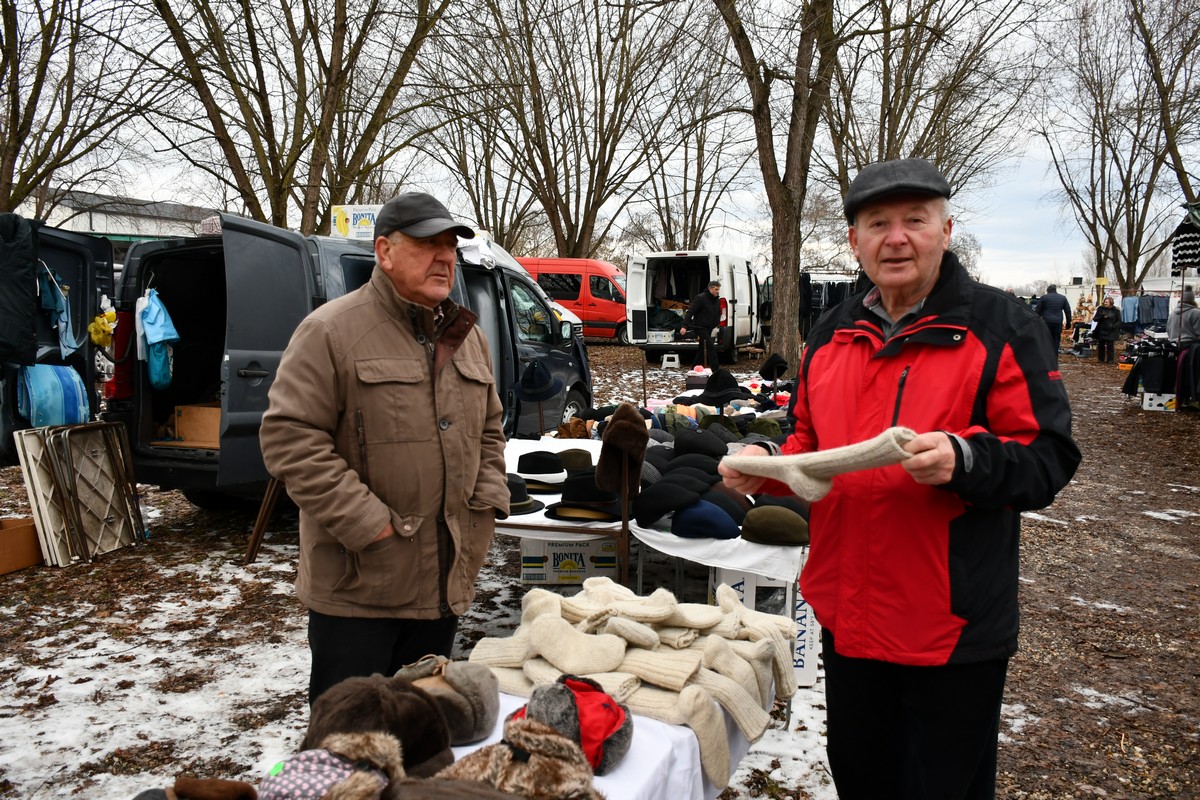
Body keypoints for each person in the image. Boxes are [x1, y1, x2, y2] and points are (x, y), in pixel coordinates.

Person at [718, 158, 1081, 800]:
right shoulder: (830, 333)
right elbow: (811, 446)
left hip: (950, 626)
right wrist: (763, 469)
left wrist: (965, 462)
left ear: (946, 228)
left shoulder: (1001, 328)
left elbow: (1048, 458)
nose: (896, 237)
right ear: (854, 240)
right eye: (877, 223)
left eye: (914, 220)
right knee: (863, 782)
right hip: (847, 616)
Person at [259, 192, 509, 705]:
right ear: (385, 251)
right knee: (348, 747)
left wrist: (484, 503)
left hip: (444, 584)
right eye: (427, 244)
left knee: (420, 735)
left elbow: (489, 428)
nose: (445, 257)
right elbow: (290, 439)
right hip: (360, 591)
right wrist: (369, 526)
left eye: (450, 246)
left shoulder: (468, 338)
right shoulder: (330, 330)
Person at [678, 280, 721, 369]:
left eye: (718, 289)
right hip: (700, 326)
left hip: (709, 327)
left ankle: (695, 367)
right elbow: (690, 312)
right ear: (710, 288)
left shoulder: (716, 300)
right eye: (716, 289)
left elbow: (717, 312)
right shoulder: (701, 298)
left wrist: (717, 322)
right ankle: (716, 369)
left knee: (702, 348)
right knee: (710, 347)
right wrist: (684, 326)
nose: (717, 291)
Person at [1034, 284, 1072, 361]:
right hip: (1058, 321)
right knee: (1056, 338)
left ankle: (1046, 355)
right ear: (1055, 290)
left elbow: (1038, 311)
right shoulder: (1063, 298)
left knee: (1046, 338)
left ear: (1048, 290)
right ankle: (1054, 356)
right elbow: (1068, 311)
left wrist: (1035, 322)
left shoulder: (1044, 298)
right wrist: (1068, 323)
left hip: (1046, 321)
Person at [1091, 296, 1123, 363]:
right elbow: (1095, 319)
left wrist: (1114, 326)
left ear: (1111, 303)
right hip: (1101, 330)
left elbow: (1119, 321)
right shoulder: (1100, 309)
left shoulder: (1116, 310)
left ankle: (1110, 360)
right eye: (1105, 302)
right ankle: (1101, 359)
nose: (1105, 303)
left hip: (1111, 330)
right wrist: (1102, 317)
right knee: (1101, 346)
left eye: (1107, 302)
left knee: (1110, 346)